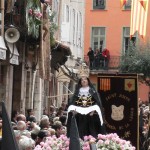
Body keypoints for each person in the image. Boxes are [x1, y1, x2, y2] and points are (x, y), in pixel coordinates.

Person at [67, 71, 106, 139]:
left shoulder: (92, 91)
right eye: (82, 80)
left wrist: (93, 111)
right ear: (80, 82)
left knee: (91, 130)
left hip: (91, 115)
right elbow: (73, 102)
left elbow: (97, 102)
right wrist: (74, 110)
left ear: (88, 81)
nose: (83, 81)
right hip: (80, 115)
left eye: (85, 79)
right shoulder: (77, 91)